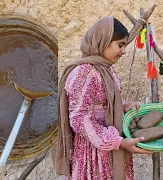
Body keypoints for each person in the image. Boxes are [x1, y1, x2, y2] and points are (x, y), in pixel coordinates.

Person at [53, 16, 151, 180]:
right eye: (120, 45)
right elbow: (79, 119)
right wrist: (118, 142)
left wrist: (124, 107)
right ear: (103, 41)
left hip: (111, 148)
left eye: (125, 46)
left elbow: (106, 103)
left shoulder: (106, 69)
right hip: (93, 155)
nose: (124, 51)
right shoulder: (84, 72)